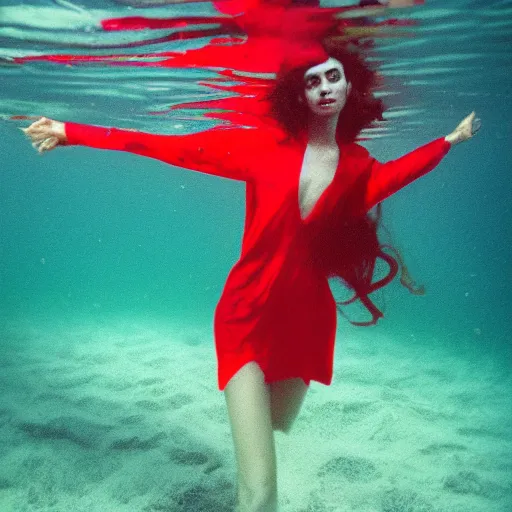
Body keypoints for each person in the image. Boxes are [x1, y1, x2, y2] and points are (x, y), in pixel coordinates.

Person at [22, 41, 479, 512]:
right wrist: (72, 131)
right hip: (247, 313)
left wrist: (447, 142)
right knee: (260, 494)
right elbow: (168, 148)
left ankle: (252, 437)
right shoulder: (261, 147)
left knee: (280, 422)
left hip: (307, 322)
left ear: (349, 84)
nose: (324, 88)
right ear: (297, 94)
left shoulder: (359, 165)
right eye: (312, 80)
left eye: (333, 77)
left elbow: (396, 176)